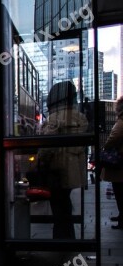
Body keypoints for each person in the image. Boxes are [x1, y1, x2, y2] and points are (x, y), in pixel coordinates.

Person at [38, 81, 88, 239]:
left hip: (57, 169)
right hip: (74, 169)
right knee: (64, 203)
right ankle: (68, 236)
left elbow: (47, 146)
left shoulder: (54, 118)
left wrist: (39, 163)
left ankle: (60, 238)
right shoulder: (80, 117)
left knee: (58, 206)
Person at [102, 95, 123, 229]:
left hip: (120, 163)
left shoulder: (121, 122)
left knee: (120, 193)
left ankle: (122, 220)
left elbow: (113, 137)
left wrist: (106, 146)